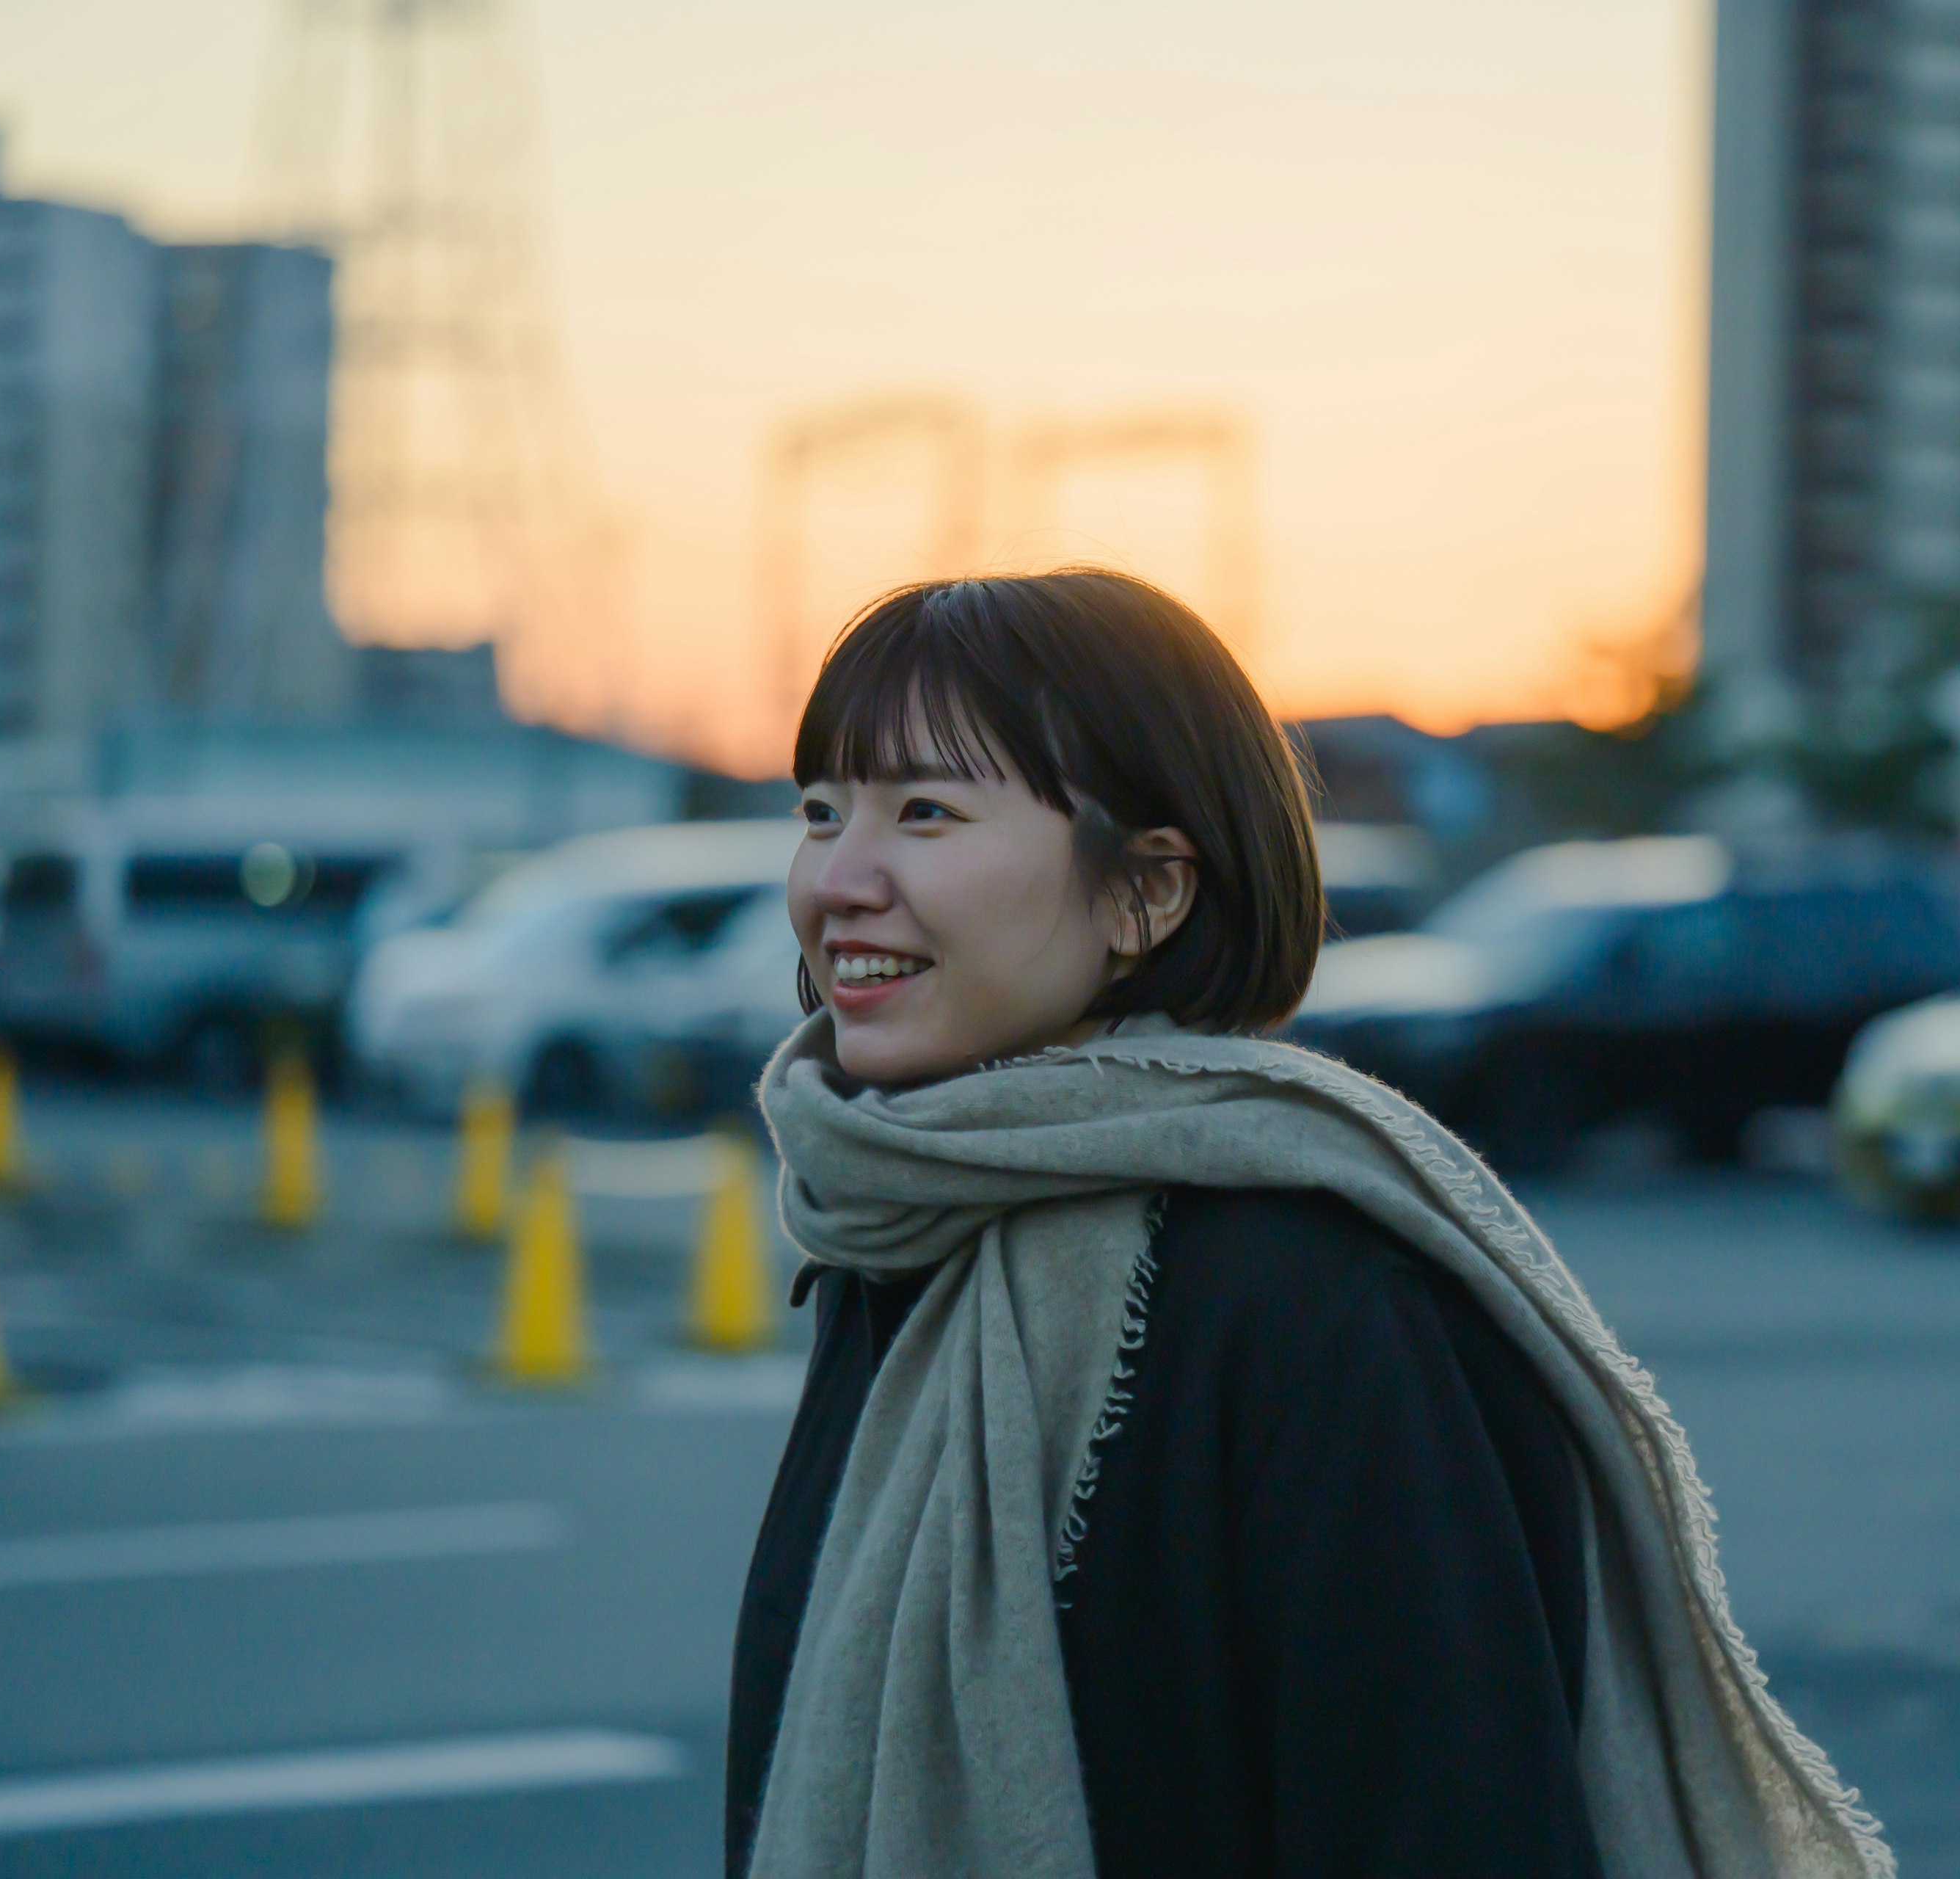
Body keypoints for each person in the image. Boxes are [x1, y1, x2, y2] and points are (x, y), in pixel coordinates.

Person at [727, 570, 1890, 1879]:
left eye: (926, 812)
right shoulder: (890, 1239)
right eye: (821, 811)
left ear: (1146, 895)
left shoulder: (1321, 1297)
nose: (839, 879)